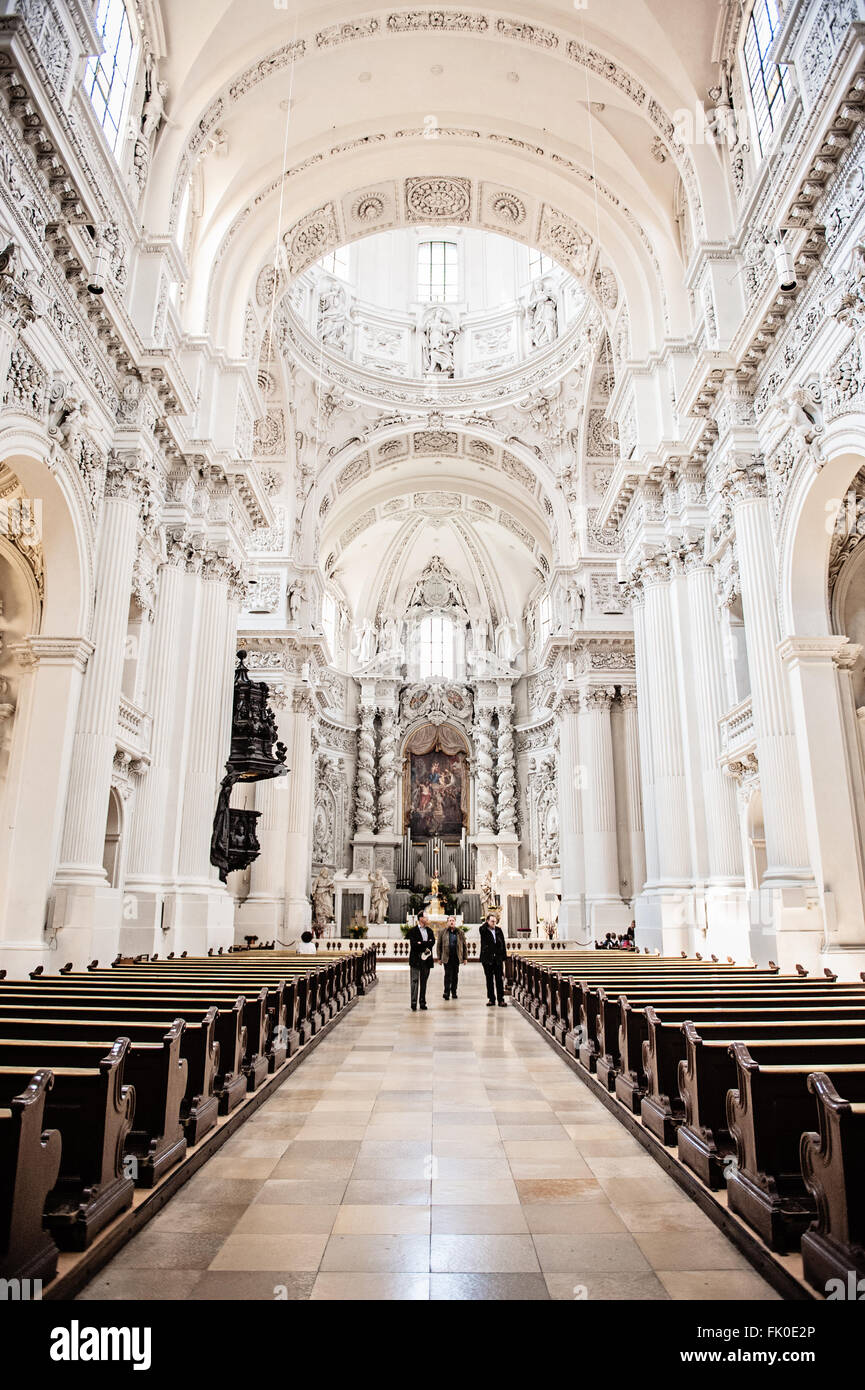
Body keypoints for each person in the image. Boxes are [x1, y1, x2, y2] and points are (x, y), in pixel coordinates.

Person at [407, 913, 435, 1011]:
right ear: (421, 918)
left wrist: (421, 943)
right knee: (414, 981)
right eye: (426, 917)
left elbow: (432, 943)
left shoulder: (430, 931)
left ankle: (422, 1002)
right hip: (416, 959)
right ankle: (413, 1002)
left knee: (424, 981)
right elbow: (414, 945)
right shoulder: (413, 931)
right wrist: (425, 944)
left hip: (426, 959)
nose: (428, 919)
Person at [479, 912, 507, 1007]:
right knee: (489, 979)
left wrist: (504, 957)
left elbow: (503, 943)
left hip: (498, 959)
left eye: (495, 921)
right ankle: (491, 999)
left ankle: (501, 999)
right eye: (492, 921)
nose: (494, 923)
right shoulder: (483, 930)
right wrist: (486, 924)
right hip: (487, 959)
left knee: (499, 979)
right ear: (487, 921)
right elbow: (482, 929)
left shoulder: (499, 930)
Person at [437, 916, 466, 1001]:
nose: (451, 922)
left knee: (455, 975)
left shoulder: (460, 932)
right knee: (447, 975)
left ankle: (454, 992)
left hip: (456, 957)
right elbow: (439, 945)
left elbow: (464, 946)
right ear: (447, 922)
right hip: (447, 957)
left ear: (455, 922)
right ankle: (446, 992)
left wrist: (465, 958)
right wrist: (439, 958)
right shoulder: (443, 932)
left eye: (453, 920)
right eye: (450, 921)